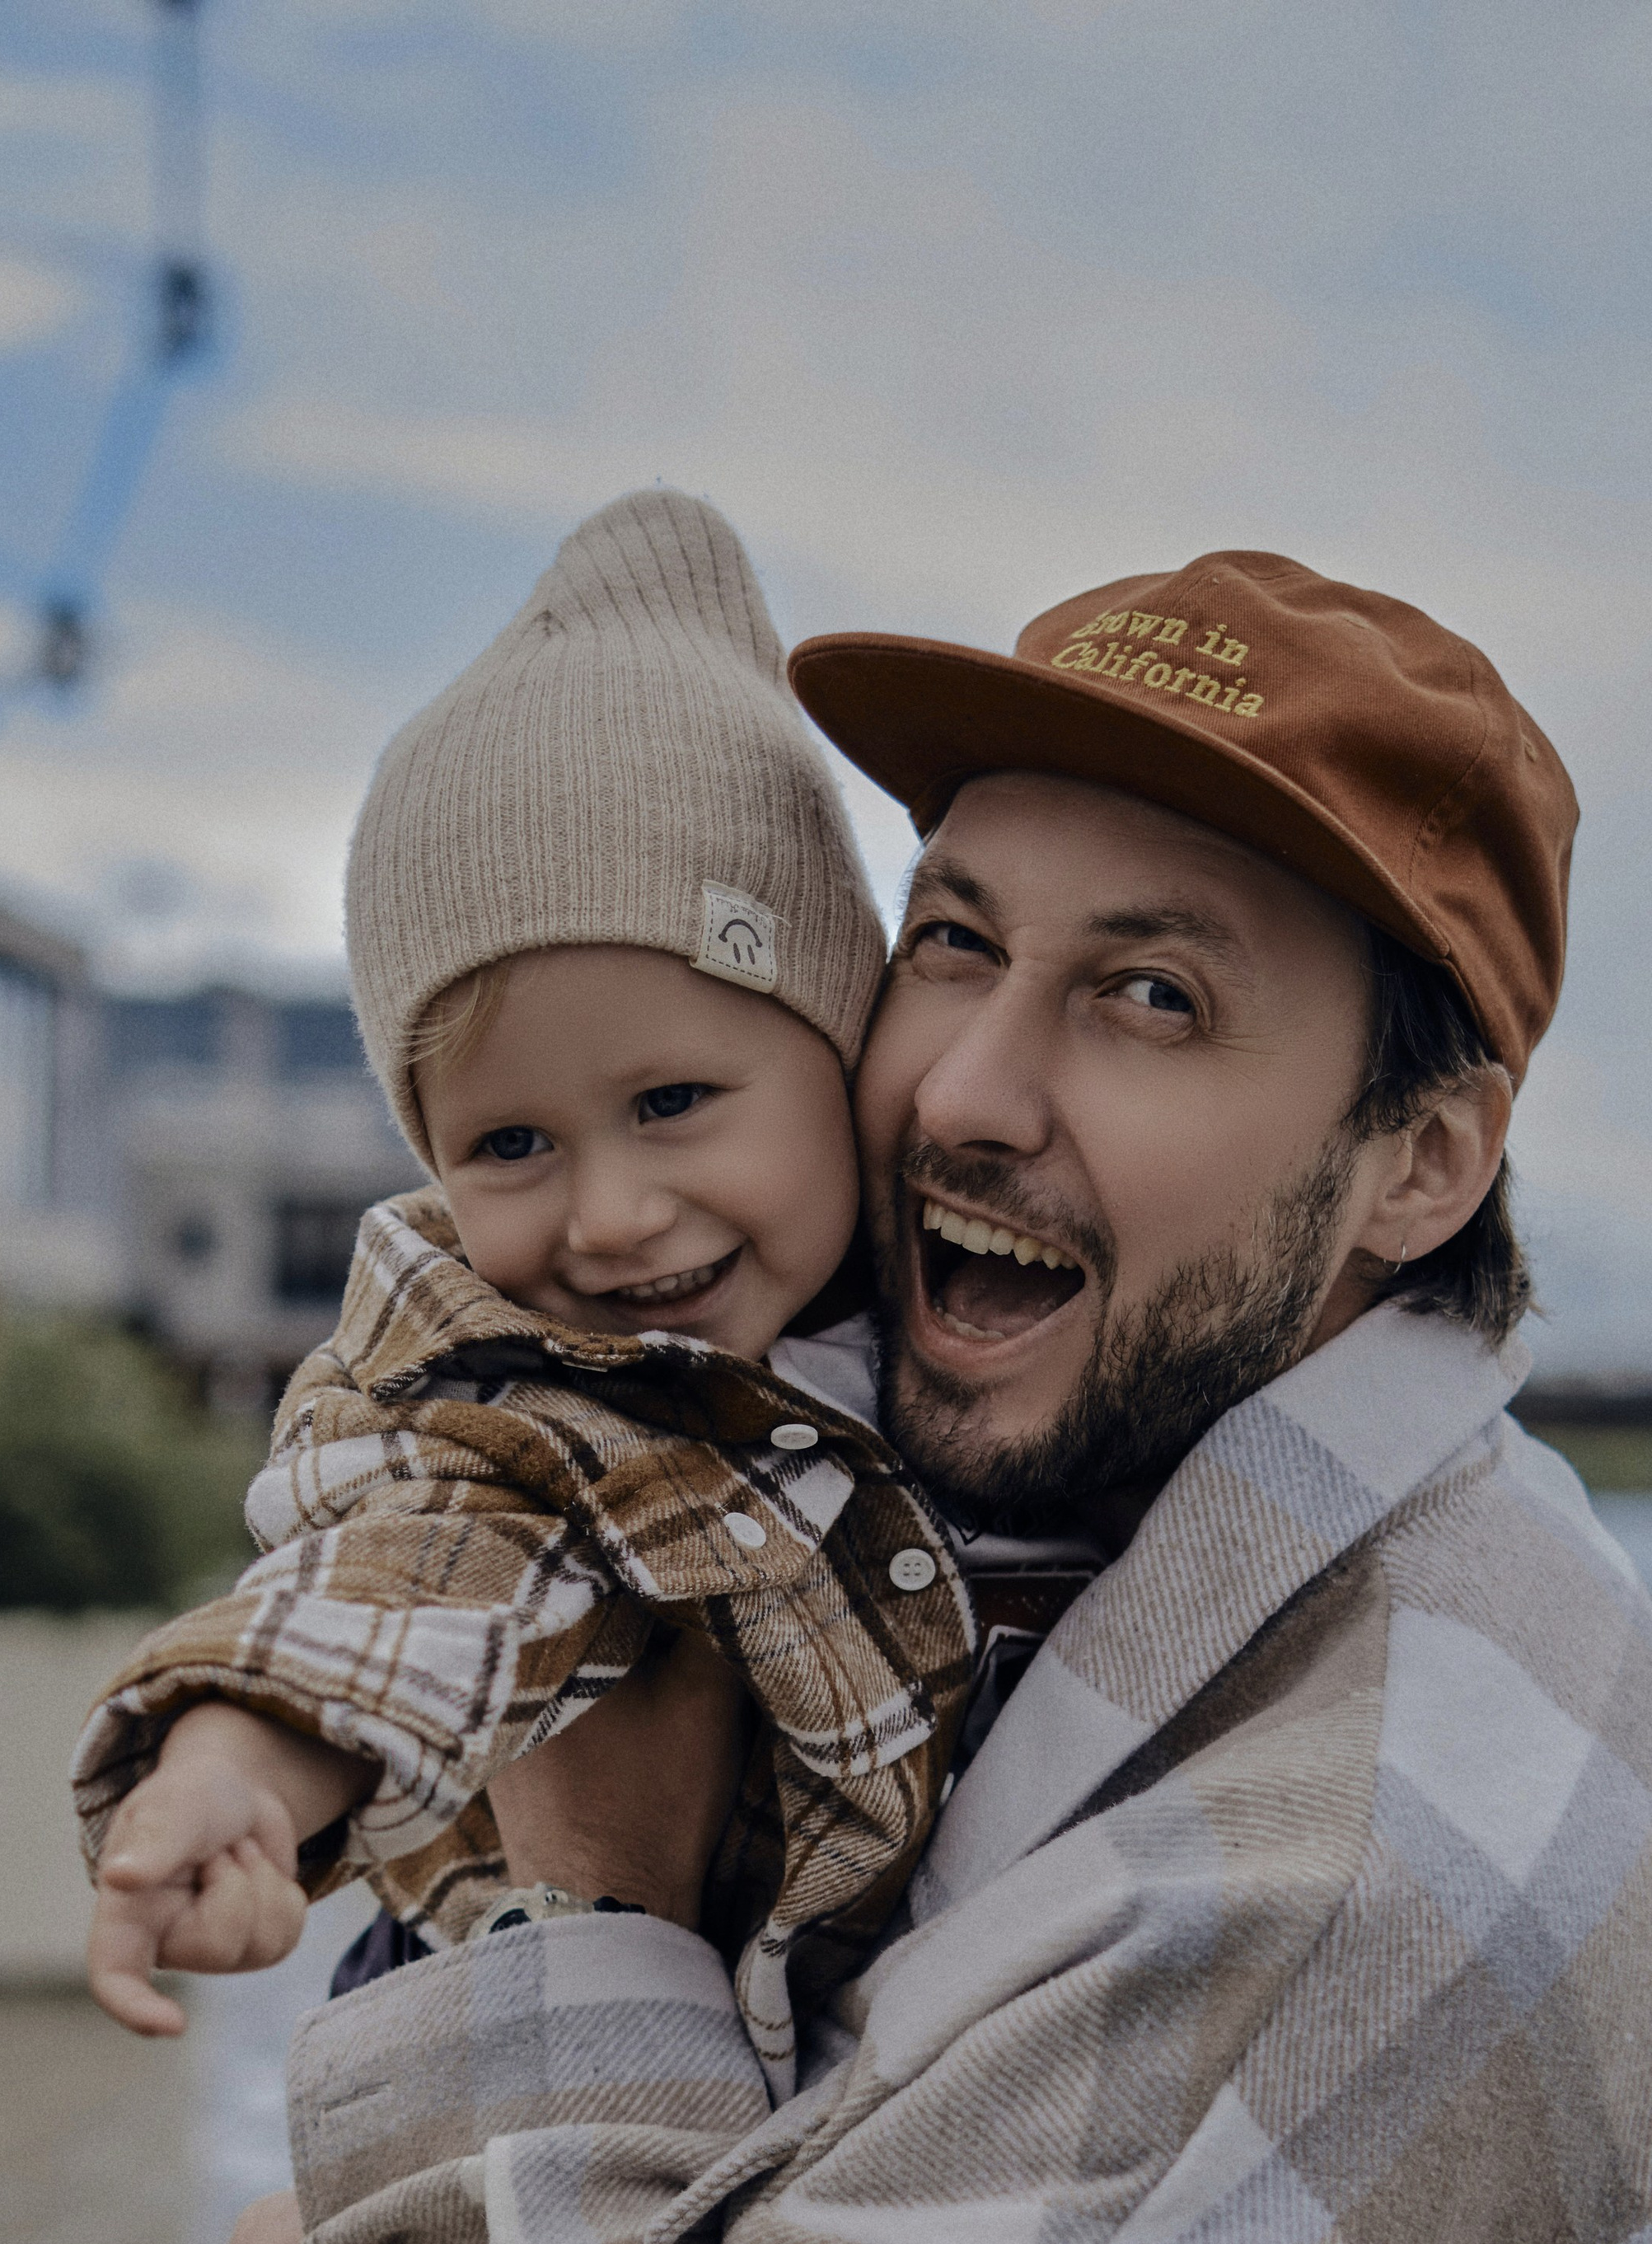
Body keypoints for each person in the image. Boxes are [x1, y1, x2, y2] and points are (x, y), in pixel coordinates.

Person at [216, 550, 1652, 2244]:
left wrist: (578, 1935)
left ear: (1422, 1160)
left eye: (1152, 994)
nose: (961, 1092)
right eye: (957, 943)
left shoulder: (1408, 1845)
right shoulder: (1003, 1536)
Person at [77, 489, 1095, 2104]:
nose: (611, 1217)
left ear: (835, 1045)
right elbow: (429, 1579)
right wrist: (240, 1763)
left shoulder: (987, 1323)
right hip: (536, 2056)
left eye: (676, 1101)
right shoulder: (507, 1377)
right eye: (507, 1142)